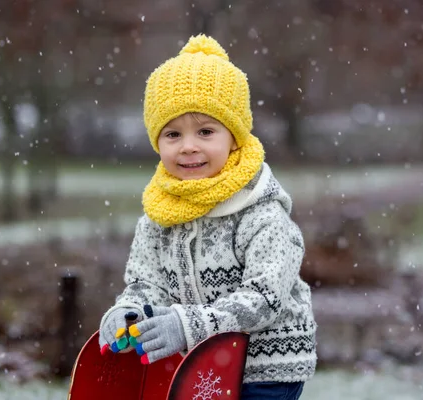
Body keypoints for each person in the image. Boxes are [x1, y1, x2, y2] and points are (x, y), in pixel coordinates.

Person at [98, 34, 316, 400]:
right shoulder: (158, 218)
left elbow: (264, 297)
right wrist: (129, 311)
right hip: (198, 367)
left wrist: (188, 325)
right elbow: (145, 282)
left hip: (264, 369)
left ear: (234, 137)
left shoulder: (261, 212)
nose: (188, 146)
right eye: (172, 133)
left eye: (205, 131)